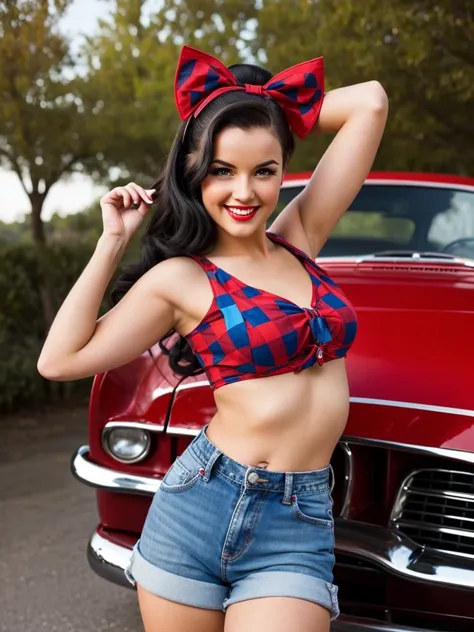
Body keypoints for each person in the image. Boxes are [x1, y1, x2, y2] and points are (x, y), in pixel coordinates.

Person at [38, 45, 388, 632]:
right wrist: (112, 241)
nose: (244, 192)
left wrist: (266, 105)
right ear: (195, 172)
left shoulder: (299, 234)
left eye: (264, 170)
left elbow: (369, 102)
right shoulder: (182, 279)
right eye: (222, 170)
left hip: (296, 519)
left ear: (283, 171)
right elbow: (60, 360)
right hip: (198, 508)